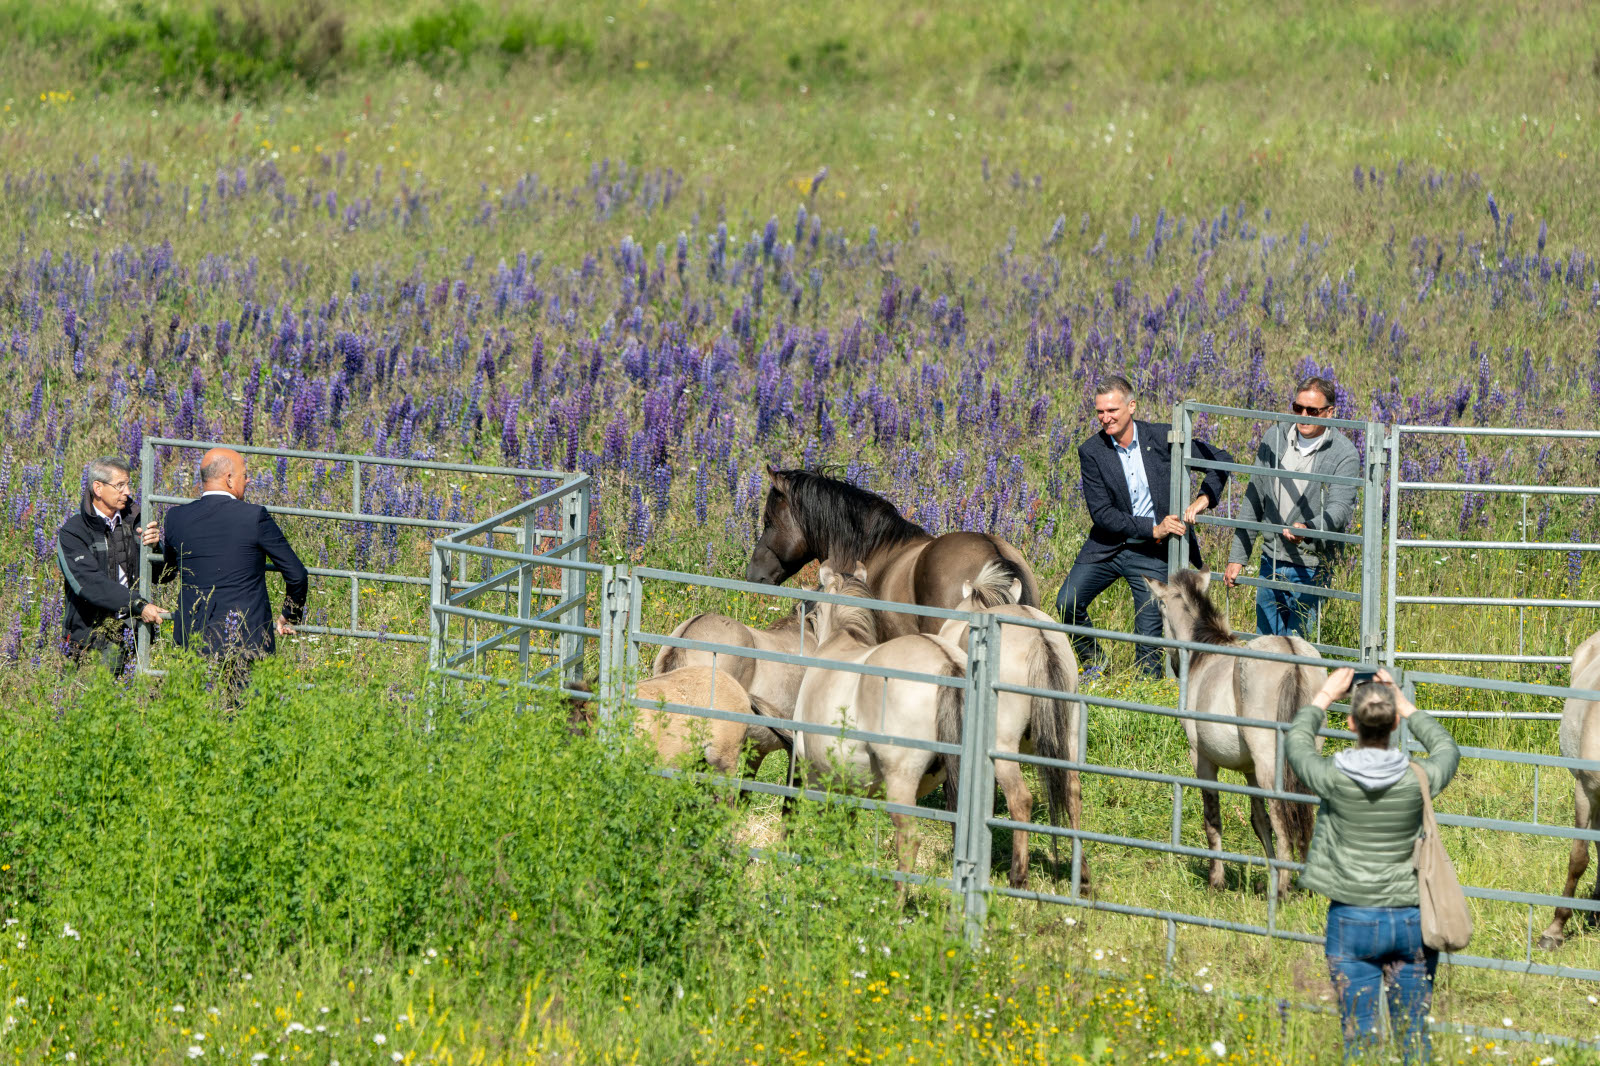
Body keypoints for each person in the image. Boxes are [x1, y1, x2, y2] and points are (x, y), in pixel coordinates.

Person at [1288, 667, 1461, 1064]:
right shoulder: (1418, 778)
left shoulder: (1331, 777)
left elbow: (1297, 745)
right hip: (1411, 921)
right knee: (1413, 1037)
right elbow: (1447, 750)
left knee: (1359, 1040)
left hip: (1351, 918)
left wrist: (1325, 696)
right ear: (1395, 724)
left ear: (1351, 725)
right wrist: (1405, 703)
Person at [1056, 375, 1232, 677]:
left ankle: (1145, 694)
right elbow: (1102, 513)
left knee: (1148, 633)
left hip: (1152, 553)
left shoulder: (1163, 437)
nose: (1105, 418)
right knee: (1068, 602)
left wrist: (1203, 499)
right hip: (1108, 546)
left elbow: (1221, 458)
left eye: (1112, 410)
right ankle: (1096, 665)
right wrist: (1153, 528)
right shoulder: (1092, 451)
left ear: (1132, 406)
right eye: (1100, 411)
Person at [1224, 376, 1360, 640]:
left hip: (1311, 565)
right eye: (1298, 408)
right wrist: (1237, 557)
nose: (1304, 415)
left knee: (1300, 651)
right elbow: (1254, 496)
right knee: (1265, 647)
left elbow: (1340, 508)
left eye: (1313, 410)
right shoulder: (1275, 437)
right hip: (1270, 560)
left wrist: (1308, 529)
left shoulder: (1344, 453)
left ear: (1330, 413)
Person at [161, 447, 309, 680]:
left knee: (197, 710)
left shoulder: (175, 518)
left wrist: (151, 548)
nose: (248, 480)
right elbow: (297, 573)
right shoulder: (254, 516)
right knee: (244, 712)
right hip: (246, 638)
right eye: (244, 475)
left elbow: (166, 573)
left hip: (193, 637)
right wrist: (289, 615)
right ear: (229, 479)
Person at [56, 456, 171, 675]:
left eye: (128, 484)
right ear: (98, 488)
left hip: (135, 632)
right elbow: (90, 584)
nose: (127, 491)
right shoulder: (73, 532)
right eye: (120, 485)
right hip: (90, 636)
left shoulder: (136, 521)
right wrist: (137, 604)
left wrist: (156, 549)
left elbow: (163, 576)